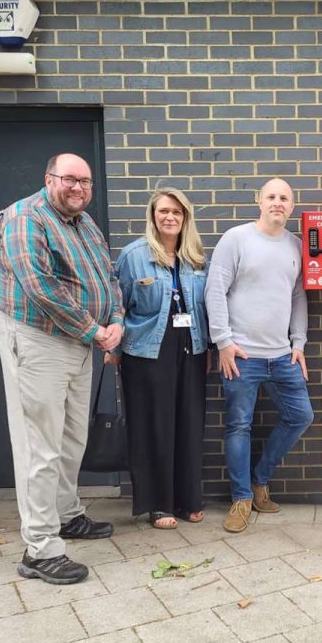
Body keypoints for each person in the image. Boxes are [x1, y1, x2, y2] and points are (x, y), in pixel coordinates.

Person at [0, 153, 121, 585]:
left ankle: (66, 514)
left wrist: (116, 318)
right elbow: (39, 286)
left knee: (71, 438)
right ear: (49, 179)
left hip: (81, 341)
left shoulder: (85, 224)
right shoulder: (25, 218)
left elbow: (108, 274)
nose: (79, 188)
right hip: (39, 340)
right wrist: (95, 330)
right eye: (69, 179)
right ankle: (40, 548)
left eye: (85, 182)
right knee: (39, 446)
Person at [204, 177, 313, 533]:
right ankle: (241, 499)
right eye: (271, 196)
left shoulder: (296, 245)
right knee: (238, 425)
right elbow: (215, 289)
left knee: (300, 416)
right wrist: (222, 341)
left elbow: (298, 297)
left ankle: (259, 480)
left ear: (292, 206)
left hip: (282, 356)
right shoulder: (237, 239)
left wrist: (298, 343)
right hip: (242, 356)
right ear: (259, 201)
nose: (277, 202)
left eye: (284, 197)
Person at [107, 187, 209, 530]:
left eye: (177, 213)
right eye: (164, 211)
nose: (170, 217)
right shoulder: (134, 255)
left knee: (189, 424)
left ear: (185, 218)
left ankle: (187, 499)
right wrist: (115, 350)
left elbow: (202, 308)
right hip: (147, 352)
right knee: (154, 427)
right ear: (153, 216)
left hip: (190, 348)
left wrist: (207, 348)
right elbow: (117, 305)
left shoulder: (194, 256)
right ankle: (158, 504)